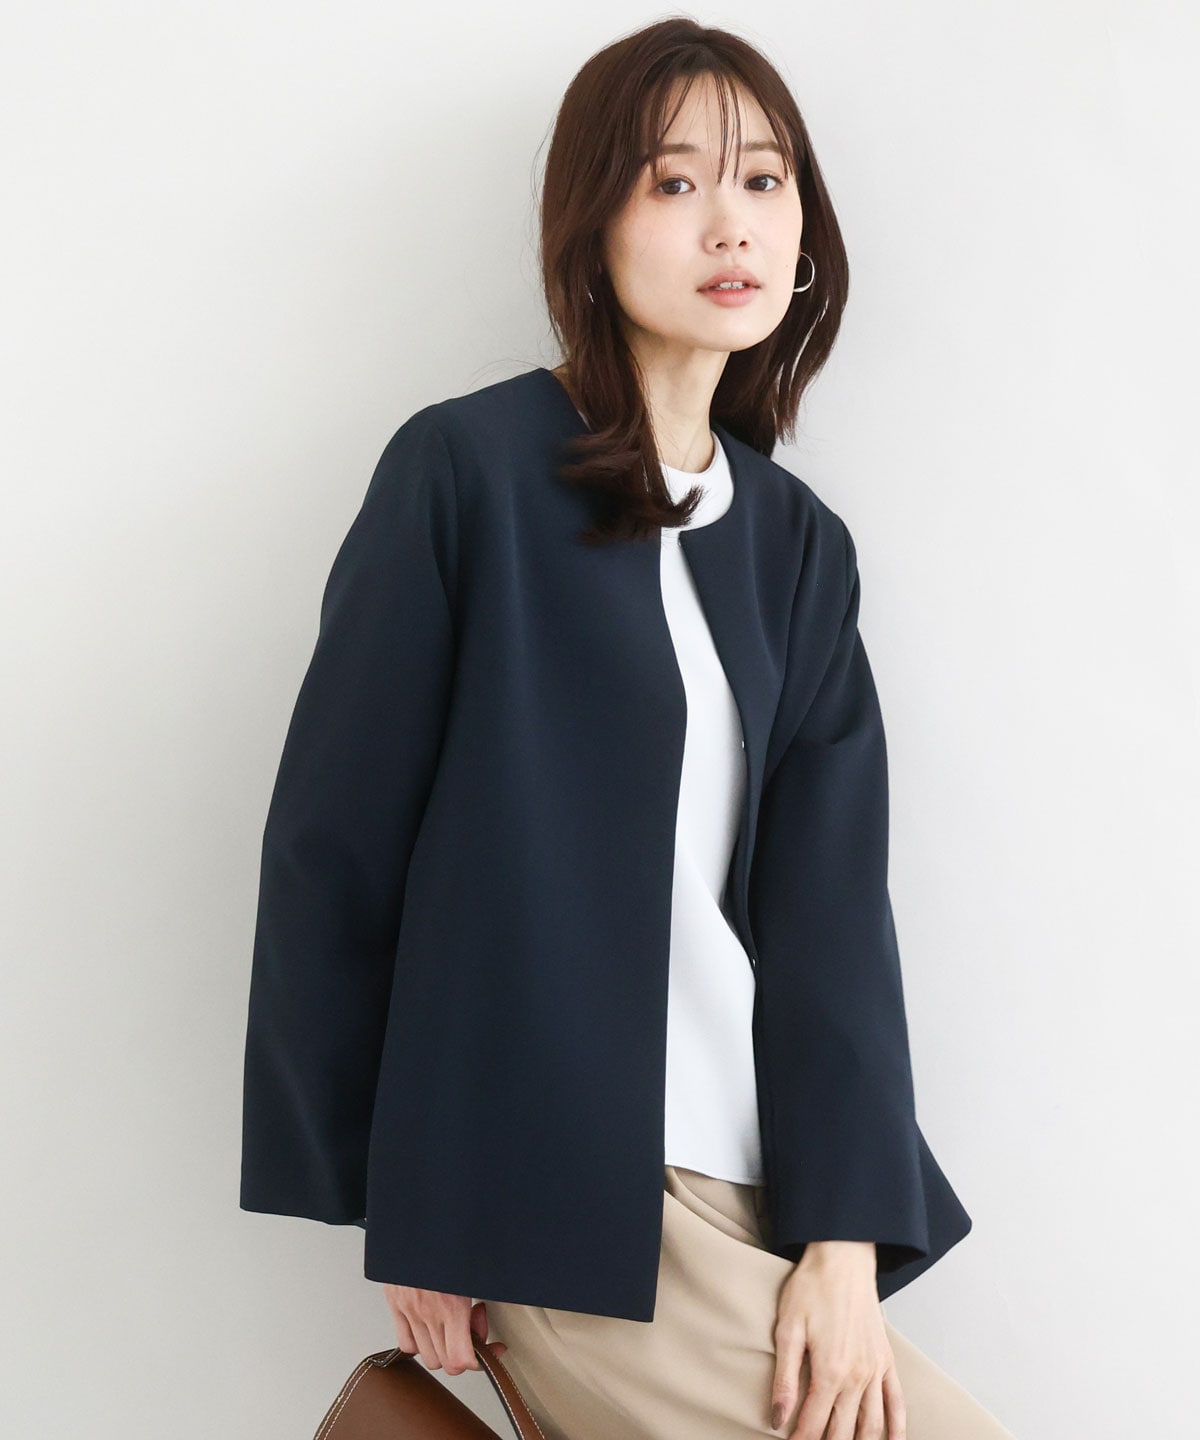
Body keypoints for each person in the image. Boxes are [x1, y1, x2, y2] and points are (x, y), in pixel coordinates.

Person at [240, 18, 1017, 1440]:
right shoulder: (465, 474)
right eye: (673, 183)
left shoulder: (795, 548)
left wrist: (845, 1243)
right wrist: (413, 1205)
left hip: (763, 1190)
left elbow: (832, 914)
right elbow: (332, 852)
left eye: (764, 180)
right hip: (546, 1193)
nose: (732, 222)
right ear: (589, 226)